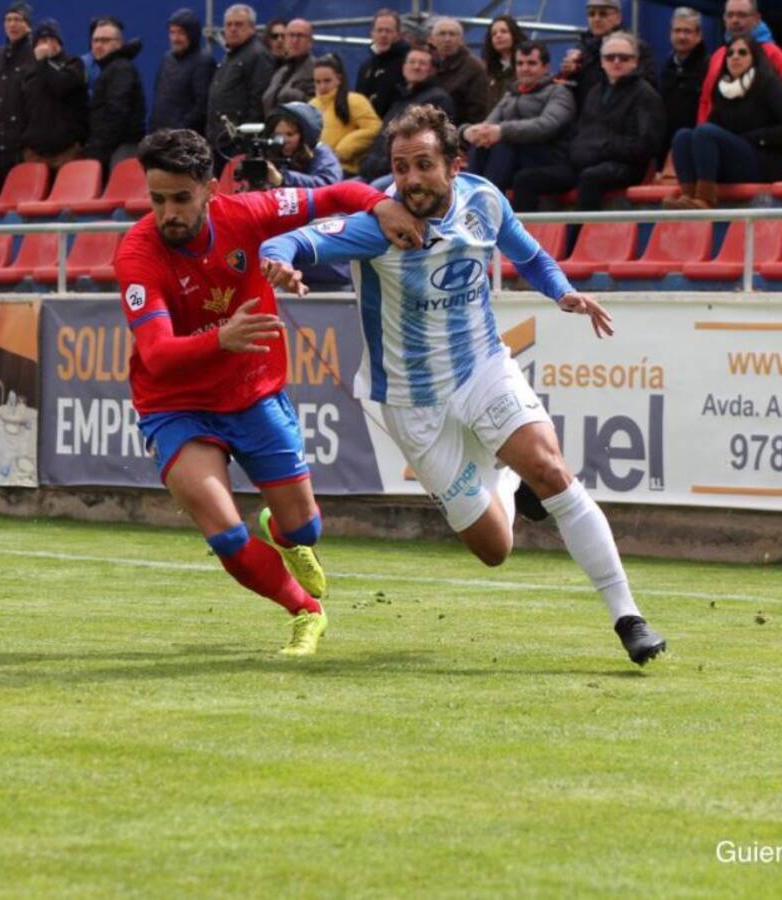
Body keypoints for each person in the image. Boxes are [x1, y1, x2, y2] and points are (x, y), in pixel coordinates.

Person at [260, 105, 668, 667]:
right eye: (400, 167)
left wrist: (562, 292)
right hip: (409, 400)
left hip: (481, 368)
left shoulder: (484, 201)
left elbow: (528, 254)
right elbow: (291, 243)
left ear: (455, 165)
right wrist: (279, 263)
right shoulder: (377, 225)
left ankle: (629, 618)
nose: (410, 179)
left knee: (551, 469)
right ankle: (509, 481)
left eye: (423, 164)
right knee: (494, 549)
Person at [113, 128, 421, 655]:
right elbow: (158, 353)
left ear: (211, 190)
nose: (168, 214)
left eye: (181, 198)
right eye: (157, 199)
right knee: (226, 535)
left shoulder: (247, 213)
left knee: (305, 530)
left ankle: (283, 533)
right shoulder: (138, 254)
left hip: (253, 392)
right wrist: (221, 338)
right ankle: (305, 611)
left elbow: (334, 194)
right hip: (176, 405)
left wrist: (380, 205)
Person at [512, 32, 664, 214]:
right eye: (610, 57)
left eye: (624, 58)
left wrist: (604, 147)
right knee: (526, 179)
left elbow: (647, 145)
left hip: (625, 166)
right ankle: (518, 232)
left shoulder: (645, 95)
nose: (616, 62)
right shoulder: (595, 91)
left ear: (635, 62)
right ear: (602, 61)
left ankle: (577, 233)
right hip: (586, 161)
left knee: (591, 177)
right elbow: (581, 132)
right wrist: (583, 150)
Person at [665, 36, 782, 209]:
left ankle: (705, 198)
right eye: (730, 53)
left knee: (705, 132)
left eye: (742, 52)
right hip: (734, 157)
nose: (735, 57)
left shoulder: (769, 84)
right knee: (683, 136)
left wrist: (756, 138)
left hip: (765, 160)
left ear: (755, 57)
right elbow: (712, 127)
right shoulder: (722, 89)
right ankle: (688, 195)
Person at [463, 41, 576, 194]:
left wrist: (502, 131)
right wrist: (474, 132)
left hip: (548, 157)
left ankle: (488, 199)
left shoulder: (559, 92)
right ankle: (470, 196)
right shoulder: (512, 93)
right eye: (520, 64)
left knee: (502, 145)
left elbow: (546, 126)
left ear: (546, 67)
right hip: (516, 157)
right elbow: (489, 124)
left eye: (531, 63)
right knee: (482, 145)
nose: (525, 69)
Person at [357, 45, 455, 184]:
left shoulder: (438, 100)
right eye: (412, 62)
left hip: (401, 174)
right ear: (404, 67)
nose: (416, 67)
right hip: (372, 171)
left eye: (422, 63)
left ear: (432, 70)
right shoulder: (400, 98)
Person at [205, 4, 275, 175]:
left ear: (252, 28)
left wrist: (244, 138)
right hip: (221, 140)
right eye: (229, 24)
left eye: (239, 24)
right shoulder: (231, 55)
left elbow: (259, 99)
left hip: (238, 143)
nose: (232, 29)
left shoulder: (258, 55)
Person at [697, 0, 782, 122]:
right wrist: (702, 128)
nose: (735, 20)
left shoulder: (774, 55)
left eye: (742, 15)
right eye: (730, 15)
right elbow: (706, 100)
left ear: (756, 19)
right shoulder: (718, 55)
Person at [19, 18, 88, 171]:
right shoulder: (28, 70)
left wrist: (43, 62)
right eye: (43, 40)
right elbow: (22, 106)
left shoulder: (74, 63)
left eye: (52, 39)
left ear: (60, 42)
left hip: (67, 150)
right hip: (34, 152)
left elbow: (61, 86)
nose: (48, 44)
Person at [85, 17, 147, 174]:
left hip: (120, 149)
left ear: (119, 43)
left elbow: (117, 114)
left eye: (105, 40)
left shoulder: (121, 69)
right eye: (95, 41)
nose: (98, 45)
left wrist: (99, 148)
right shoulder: (110, 68)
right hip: (110, 148)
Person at [575, 0, 657, 111]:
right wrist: (568, 73)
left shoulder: (637, 48)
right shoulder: (581, 48)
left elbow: (647, 89)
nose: (596, 19)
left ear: (618, 18)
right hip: (588, 114)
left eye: (603, 14)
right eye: (591, 14)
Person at [309, 55, 381, 176]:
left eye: (327, 81)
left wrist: (344, 149)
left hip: (344, 169)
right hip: (315, 167)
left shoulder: (354, 100)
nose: (322, 86)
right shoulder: (312, 105)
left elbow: (374, 128)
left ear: (339, 79)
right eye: (317, 82)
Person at [0, 1, 36, 183]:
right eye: (8, 20)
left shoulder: (34, 52)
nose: (12, 24)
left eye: (17, 19)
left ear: (28, 25)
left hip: (23, 144)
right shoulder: (0, 54)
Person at [149, 8, 216, 135]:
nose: (175, 38)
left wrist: (179, 130)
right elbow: (159, 98)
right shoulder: (167, 59)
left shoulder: (203, 62)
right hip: (159, 134)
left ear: (192, 35)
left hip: (184, 137)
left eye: (180, 33)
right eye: (172, 32)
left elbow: (202, 106)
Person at [660, 7, 709, 165]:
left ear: (698, 35)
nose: (681, 36)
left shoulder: (709, 66)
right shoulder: (666, 68)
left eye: (687, 31)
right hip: (667, 149)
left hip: (696, 148)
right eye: (677, 31)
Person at [255, 101, 342, 188]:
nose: (283, 140)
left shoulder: (321, 154)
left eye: (290, 134)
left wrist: (283, 179)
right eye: (278, 135)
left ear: (305, 136)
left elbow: (328, 184)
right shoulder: (272, 154)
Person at [430, 16, 487, 126]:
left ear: (461, 40)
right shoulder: (426, 63)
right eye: (442, 34)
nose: (447, 39)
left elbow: (478, 110)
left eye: (452, 34)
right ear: (432, 40)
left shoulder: (474, 68)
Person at [356, 9, 408, 120]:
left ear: (398, 34)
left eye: (388, 31)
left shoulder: (407, 64)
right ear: (372, 34)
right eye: (379, 30)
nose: (383, 35)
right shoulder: (366, 66)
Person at [262, 18, 315, 113]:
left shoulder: (315, 70)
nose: (295, 40)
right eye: (291, 35)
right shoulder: (280, 73)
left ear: (310, 41)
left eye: (300, 36)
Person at [482, 15, 527, 113]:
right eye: (494, 34)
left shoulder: (526, 66)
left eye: (504, 31)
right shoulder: (487, 70)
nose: (498, 36)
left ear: (514, 34)